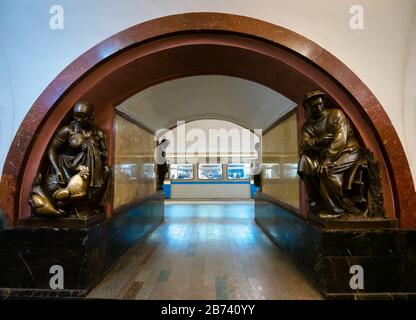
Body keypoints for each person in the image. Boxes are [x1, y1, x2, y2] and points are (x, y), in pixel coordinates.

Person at [297, 90, 365, 219]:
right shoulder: (307, 126)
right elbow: (303, 146)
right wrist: (318, 140)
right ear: (307, 108)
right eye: (314, 106)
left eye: (320, 104)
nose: (319, 108)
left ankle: (336, 210)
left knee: (328, 171)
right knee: (304, 162)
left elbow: (340, 139)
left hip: (347, 150)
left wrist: (328, 160)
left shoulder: (336, 115)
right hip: (322, 155)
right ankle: (316, 201)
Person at [36, 102, 111, 215]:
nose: (79, 119)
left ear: (91, 116)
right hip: (68, 166)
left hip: (88, 167)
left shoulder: (98, 133)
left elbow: (105, 154)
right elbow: (52, 149)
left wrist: (93, 149)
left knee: (106, 171)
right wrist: (57, 169)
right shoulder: (68, 131)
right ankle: (69, 204)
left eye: (83, 116)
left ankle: (87, 205)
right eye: (76, 115)